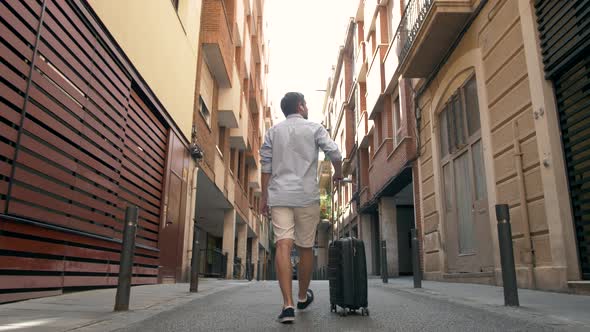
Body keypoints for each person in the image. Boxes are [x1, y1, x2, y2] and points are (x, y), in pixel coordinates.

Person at [260, 92, 342, 324]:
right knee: (306, 247)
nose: (307, 107)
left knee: (283, 245)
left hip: (280, 196)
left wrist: (264, 197)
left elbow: (266, 166)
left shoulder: (273, 132)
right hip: (306, 196)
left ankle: (287, 306)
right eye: (305, 104)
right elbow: (334, 152)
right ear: (300, 106)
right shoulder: (314, 128)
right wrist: (339, 173)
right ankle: (302, 296)